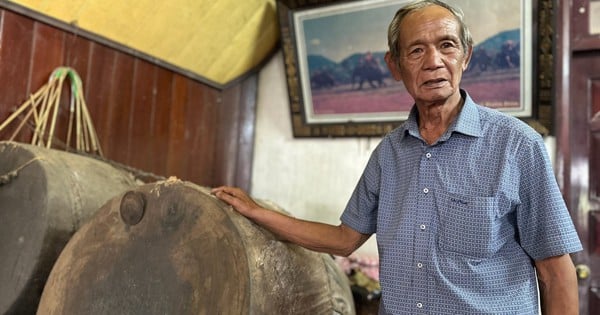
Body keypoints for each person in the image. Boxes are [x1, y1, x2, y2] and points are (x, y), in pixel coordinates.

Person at [212, 0, 582, 314]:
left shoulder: (517, 146)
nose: (434, 61)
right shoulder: (388, 153)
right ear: (394, 65)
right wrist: (257, 212)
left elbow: (555, 271)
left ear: (466, 56)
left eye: (447, 45)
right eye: (417, 50)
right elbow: (344, 239)